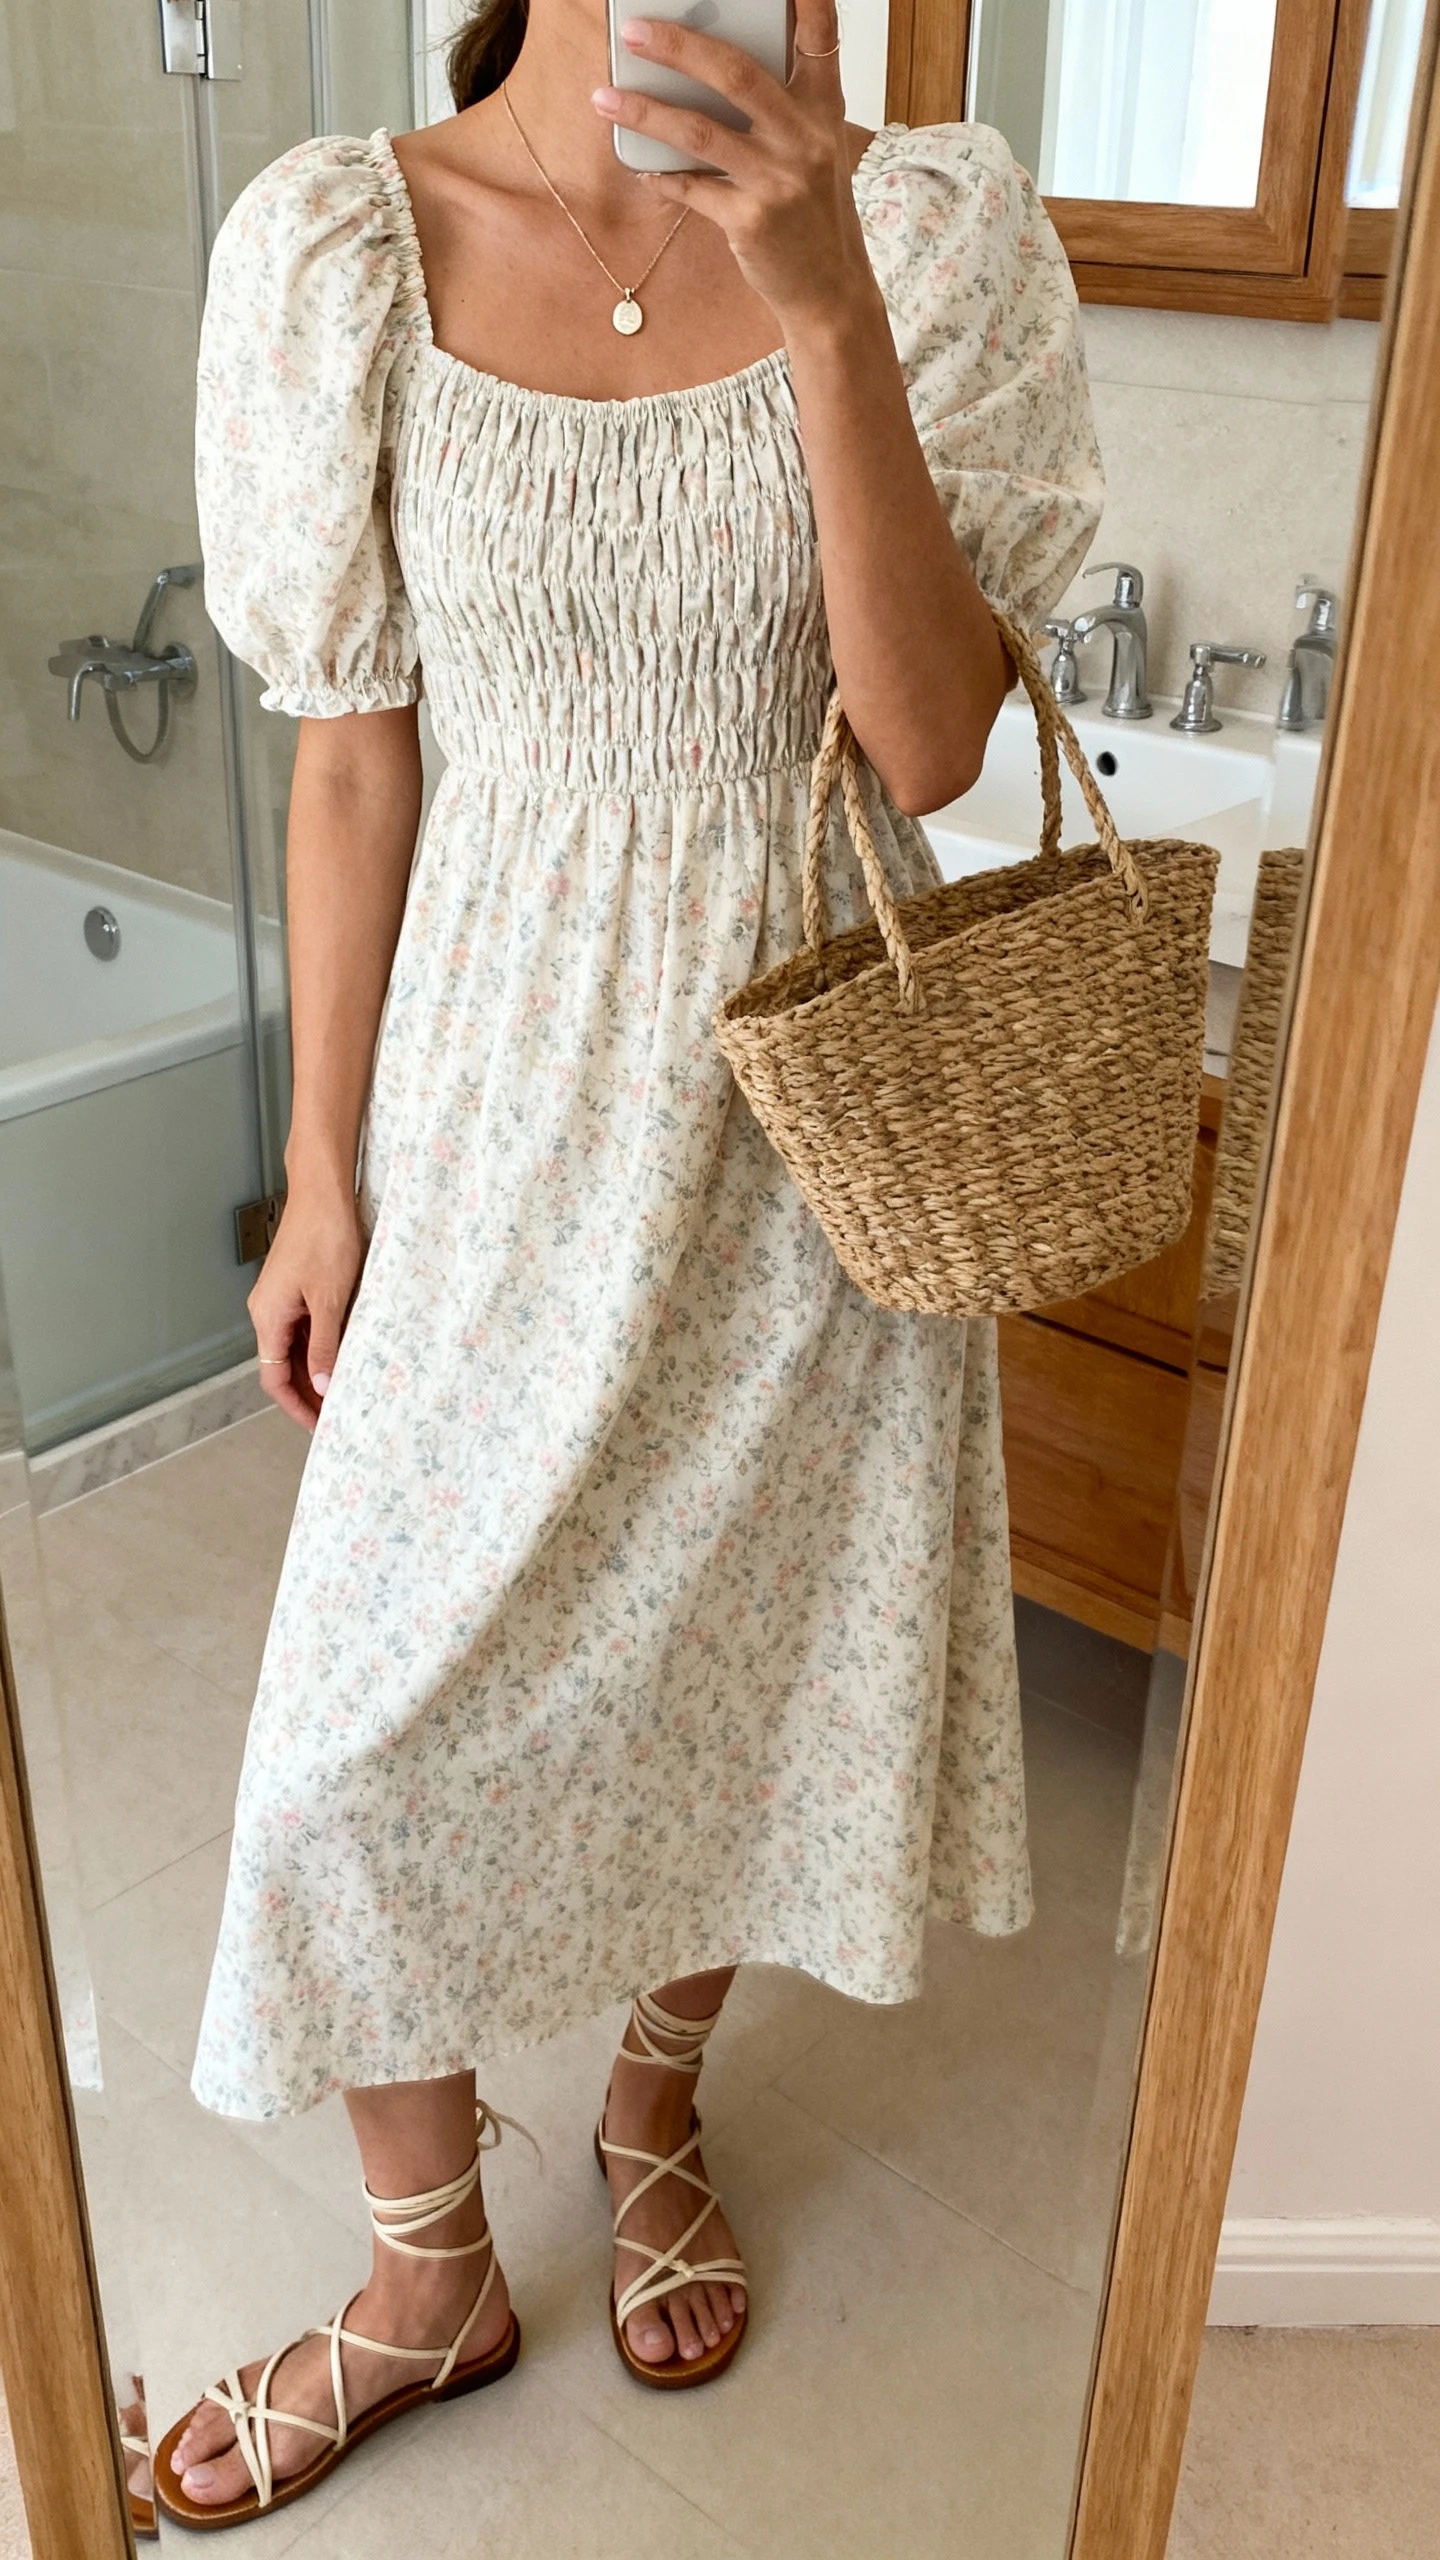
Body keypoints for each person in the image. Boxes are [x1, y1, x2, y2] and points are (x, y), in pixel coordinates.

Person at [157, 0, 1102, 2523]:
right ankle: (423, 2270)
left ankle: (653, 2100)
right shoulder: (345, 247)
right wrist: (324, 1165)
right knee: (354, 1731)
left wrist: (817, 303)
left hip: (806, 1129)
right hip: (486, 1113)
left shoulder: (923, 227)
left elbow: (929, 750)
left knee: (749, 1653)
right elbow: (353, 745)